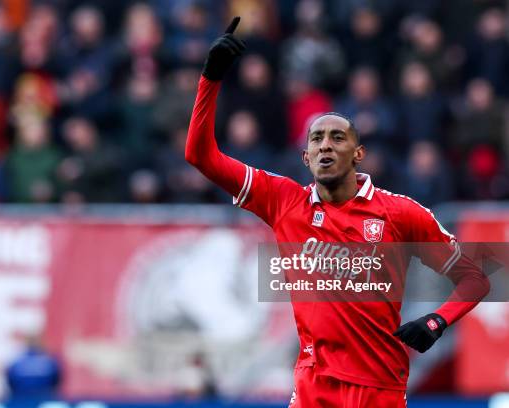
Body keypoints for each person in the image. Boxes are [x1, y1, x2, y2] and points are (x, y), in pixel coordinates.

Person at [185, 17, 490, 407]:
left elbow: (475, 280)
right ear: (305, 156)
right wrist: (210, 78)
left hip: (379, 386)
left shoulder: (399, 213)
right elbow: (200, 155)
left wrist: (436, 321)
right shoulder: (283, 200)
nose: (325, 145)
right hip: (315, 385)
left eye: (337, 137)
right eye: (316, 138)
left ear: (358, 153)